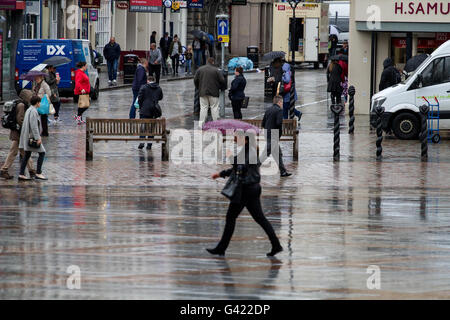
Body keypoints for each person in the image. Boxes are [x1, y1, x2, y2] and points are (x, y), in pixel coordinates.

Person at [207, 133, 283, 257]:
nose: (235, 138)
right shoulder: (247, 150)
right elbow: (237, 169)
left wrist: (230, 157)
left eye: (238, 136)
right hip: (250, 188)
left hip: (246, 190)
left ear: (246, 139)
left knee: (231, 217)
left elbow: (241, 167)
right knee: (259, 218)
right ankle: (276, 245)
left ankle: (221, 248)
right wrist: (221, 174)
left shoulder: (251, 152)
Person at [0, 90, 35, 180]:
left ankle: (31, 171)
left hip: (17, 132)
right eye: (29, 96)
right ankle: (32, 171)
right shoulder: (22, 105)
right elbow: (20, 120)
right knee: (22, 152)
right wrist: (27, 129)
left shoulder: (19, 104)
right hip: (19, 133)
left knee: (18, 152)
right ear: (26, 97)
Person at [261, 95, 292, 178]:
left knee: (278, 154)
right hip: (274, 134)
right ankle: (251, 169)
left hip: (267, 133)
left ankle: (283, 171)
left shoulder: (268, 110)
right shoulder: (279, 111)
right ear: (279, 102)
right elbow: (279, 123)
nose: (282, 104)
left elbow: (263, 123)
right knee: (265, 154)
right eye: (282, 102)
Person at [18, 95, 47, 181]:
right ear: (37, 103)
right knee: (42, 152)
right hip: (31, 138)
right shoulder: (33, 111)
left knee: (27, 155)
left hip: (26, 137)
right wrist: (38, 138)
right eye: (40, 102)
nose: (40, 104)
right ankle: (38, 173)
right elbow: (34, 126)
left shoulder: (29, 110)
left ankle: (21, 173)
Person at [194, 57, 226, 127]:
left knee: (203, 108)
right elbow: (222, 80)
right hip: (214, 92)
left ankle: (201, 125)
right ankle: (216, 125)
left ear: (207, 62)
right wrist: (220, 87)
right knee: (214, 108)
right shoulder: (216, 70)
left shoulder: (200, 69)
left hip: (202, 92)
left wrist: (199, 88)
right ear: (213, 62)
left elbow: (195, 79)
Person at [137, 75, 163, 150]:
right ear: (154, 80)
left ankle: (142, 142)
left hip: (144, 110)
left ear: (148, 80)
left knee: (143, 127)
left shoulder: (144, 87)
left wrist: (141, 106)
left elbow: (140, 98)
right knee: (151, 128)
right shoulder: (158, 88)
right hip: (154, 110)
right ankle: (149, 144)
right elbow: (161, 97)